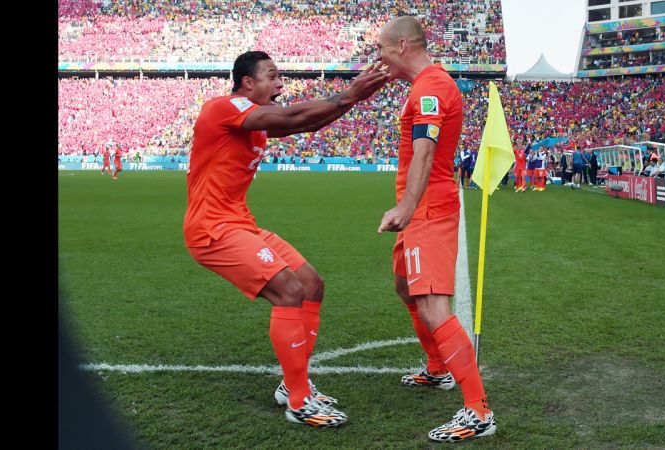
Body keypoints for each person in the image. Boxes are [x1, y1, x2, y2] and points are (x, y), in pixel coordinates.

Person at [183, 50, 389, 428]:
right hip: (212, 229)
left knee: (311, 284)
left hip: (240, 224)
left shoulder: (255, 121)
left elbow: (306, 124)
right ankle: (299, 400)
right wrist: (350, 94)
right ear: (248, 82)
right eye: (273, 77)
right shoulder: (224, 108)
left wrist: (354, 98)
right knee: (288, 291)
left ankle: (293, 384)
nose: (281, 84)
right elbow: (293, 115)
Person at [374, 16, 496, 442]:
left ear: (403, 45)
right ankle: (438, 368)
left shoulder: (431, 86)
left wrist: (406, 207)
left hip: (428, 209)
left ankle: (478, 410)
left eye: (383, 50)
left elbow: (425, 150)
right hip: (420, 208)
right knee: (405, 288)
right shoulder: (423, 85)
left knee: (433, 307)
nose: (380, 58)